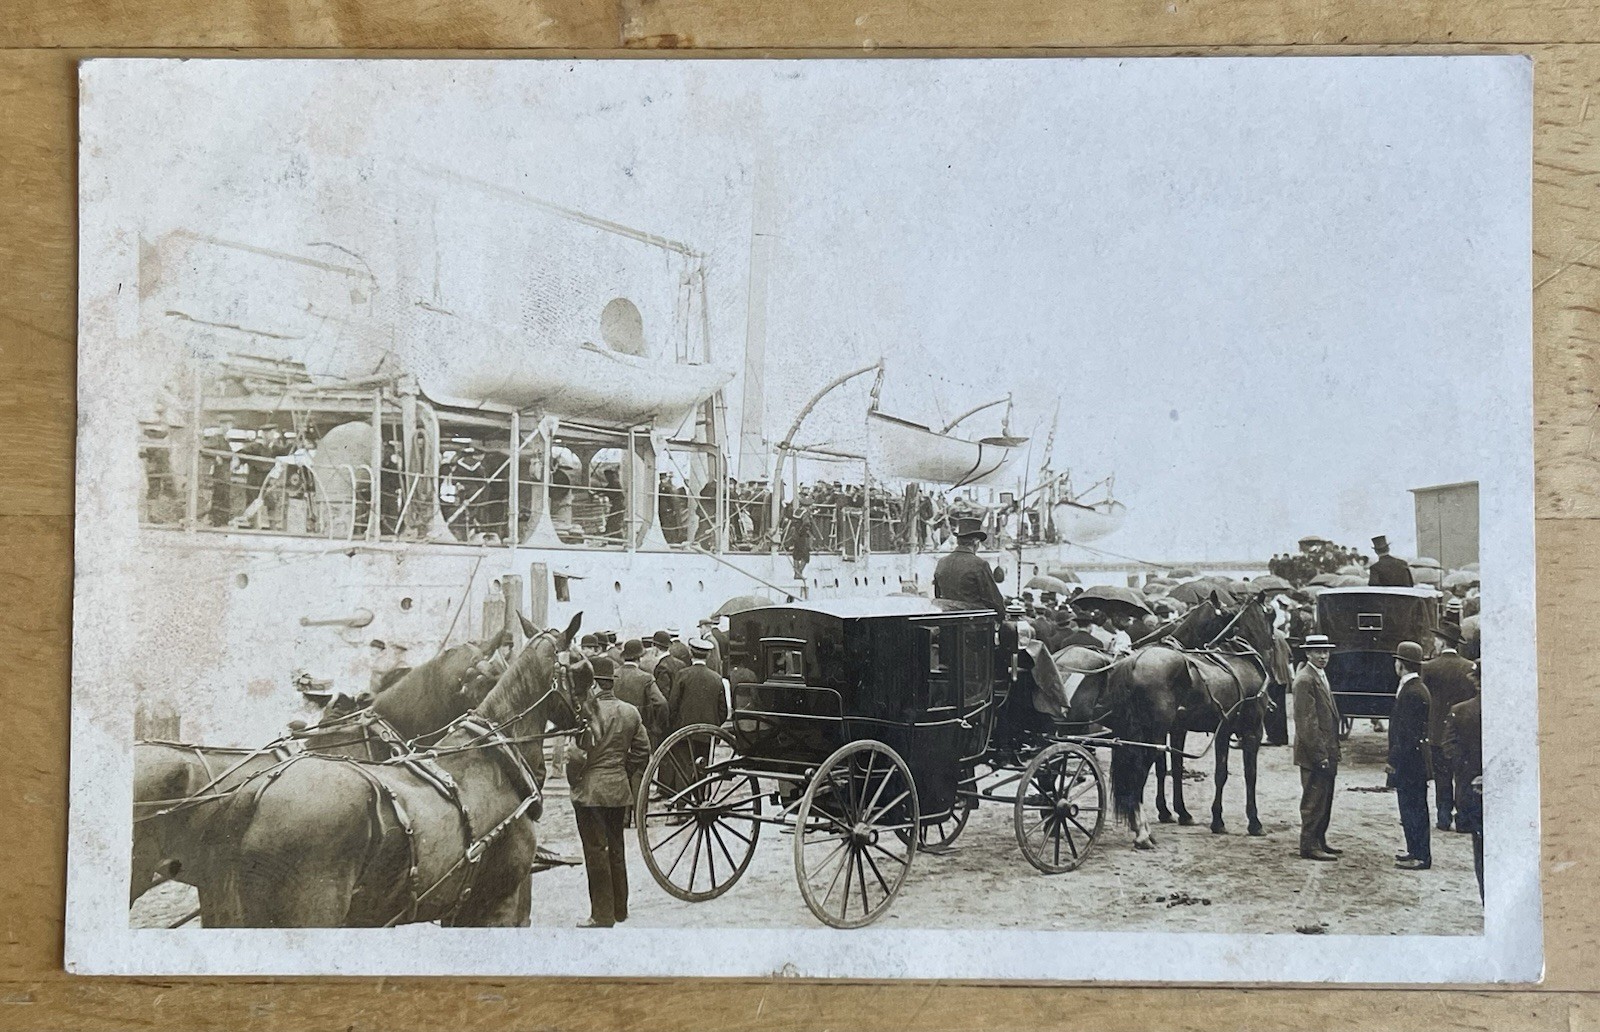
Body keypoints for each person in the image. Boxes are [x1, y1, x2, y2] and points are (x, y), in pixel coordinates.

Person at [564, 655, 651, 928]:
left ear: (592, 684)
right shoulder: (630, 712)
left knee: (595, 851)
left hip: (590, 793)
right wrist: (623, 771)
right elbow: (643, 751)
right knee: (616, 848)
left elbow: (575, 756)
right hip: (618, 790)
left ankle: (601, 915)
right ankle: (619, 909)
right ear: (611, 683)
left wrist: (575, 780)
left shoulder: (586, 713)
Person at [1423, 624, 1476, 832]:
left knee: (1442, 778)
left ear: (1442, 642)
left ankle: (1443, 818)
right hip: (1463, 734)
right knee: (1462, 777)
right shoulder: (1469, 667)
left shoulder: (1428, 668)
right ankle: (1463, 820)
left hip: (1437, 732)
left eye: (1437, 639)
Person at [1293, 635, 1341, 860]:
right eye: (1318, 651)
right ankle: (1308, 845)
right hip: (1314, 753)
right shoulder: (1304, 679)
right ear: (1308, 654)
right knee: (1313, 800)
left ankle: (1320, 840)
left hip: (1327, 750)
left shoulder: (1319, 675)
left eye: (1327, 652)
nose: (1324, 656)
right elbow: (1307, 723)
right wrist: (1320, 755)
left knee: (1325, 798)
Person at [1388, 640, 1433, 870]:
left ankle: (1420, 855)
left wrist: (1393, 761)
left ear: (1401, 664)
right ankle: (1414, 850)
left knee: (1413, 807)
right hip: (1413, 759)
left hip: (1410, 762)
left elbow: (1405, 733)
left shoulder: (1412, 692)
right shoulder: (1414, 687)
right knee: (1410, 807)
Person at [1443, 664, 1484, 901]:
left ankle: (1487, 903)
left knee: (1480, 851)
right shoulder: (1514, 711)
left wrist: (1469, 774)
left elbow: (1449, 748)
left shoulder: (1461, 711)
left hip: (1471, 792)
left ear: (1475, 681)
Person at [932, 515, 1007, 616]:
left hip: (947, 622)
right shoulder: (979, 564)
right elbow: (993, 600)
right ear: (976, 542)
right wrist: (1003, 615)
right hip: (973, 624)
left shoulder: (942, 562)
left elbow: (938, 594)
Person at [614, 639, 670, 747]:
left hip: (616, 731)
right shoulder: (646, 678)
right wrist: (656, 727)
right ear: (639, 658)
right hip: (640, 730)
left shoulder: (613, 675)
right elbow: (661, 703)